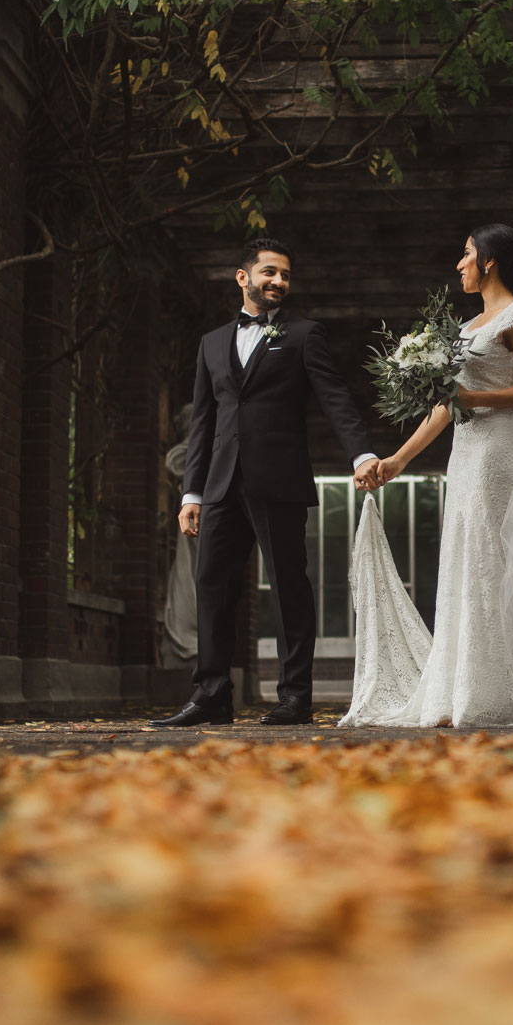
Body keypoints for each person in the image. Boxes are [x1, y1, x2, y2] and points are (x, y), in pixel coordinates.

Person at [340, 223, 513, 729]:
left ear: (489, 262)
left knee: (486, 559)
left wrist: (476, 400)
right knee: (462, 558)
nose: (458, 264)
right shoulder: (464, 329)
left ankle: (490, 694)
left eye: (465, 255)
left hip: (499, 451)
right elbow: (444, 408)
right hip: (465, 453)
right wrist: (397, 460)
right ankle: (460, 690)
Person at [156, 240, 381, 727]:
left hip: (278, 479)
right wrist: (191, 492)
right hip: (219, 484)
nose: (279, 282)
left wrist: (361, 453)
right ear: (243, 277)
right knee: (212, 585)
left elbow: (334, 397)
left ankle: (295, 696)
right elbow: (203, 424)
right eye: (270, 273)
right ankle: (212, 694)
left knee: (287, 587)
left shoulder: (303, 335)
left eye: (285, 276)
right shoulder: (211, 343)